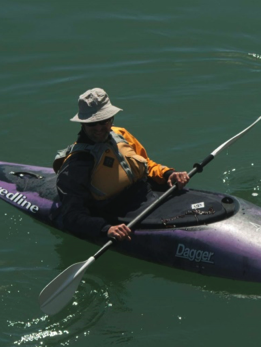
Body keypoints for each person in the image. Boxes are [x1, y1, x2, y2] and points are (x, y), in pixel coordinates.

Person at [53, 88, 190, 242]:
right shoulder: (77, 164)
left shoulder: (120, 134)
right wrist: (105, 229)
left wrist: (168, 174)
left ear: (111, 118)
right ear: (83, 124)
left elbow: (146, 164)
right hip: (115, 213)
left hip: (147, 194)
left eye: (103, 121)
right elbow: (72, 216)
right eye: (92, 123)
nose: (98, 128)